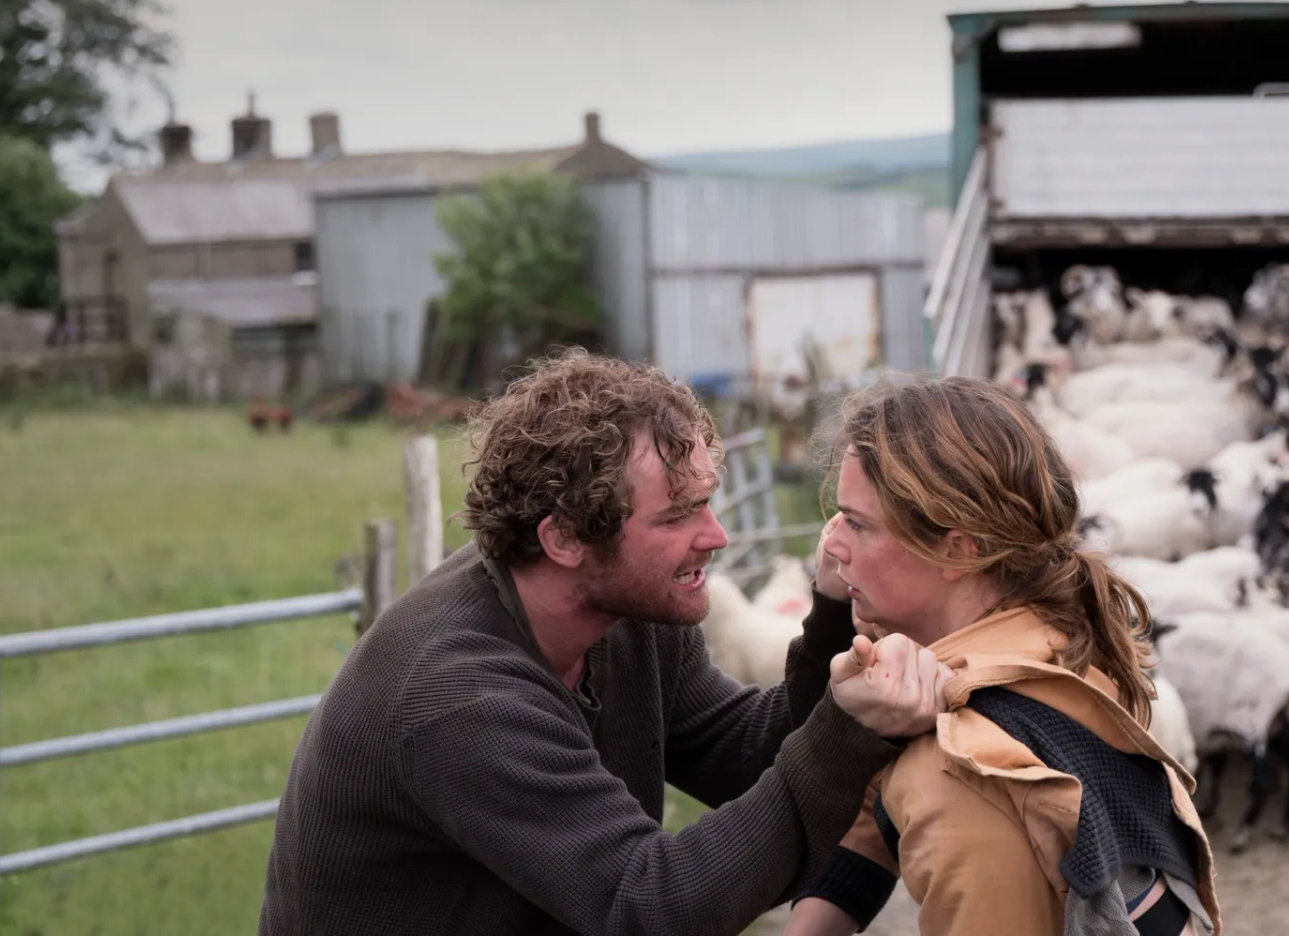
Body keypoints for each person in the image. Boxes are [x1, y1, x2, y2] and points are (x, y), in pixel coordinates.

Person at [259, 351, 952, 936]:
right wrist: (849, 727)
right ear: (563, 537)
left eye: (708, 501)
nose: (717, 536)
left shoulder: (623, 616)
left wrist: (833, 619)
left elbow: (744, 754)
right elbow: (648, 906)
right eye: (680, 514)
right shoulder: (459, 697)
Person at [784, 375, 1222, 936]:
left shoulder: (960, 771)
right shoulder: (1063, 644)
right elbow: (878, 810)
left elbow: (945, 794)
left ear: (958, 549)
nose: (831, 545)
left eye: (857, 523)